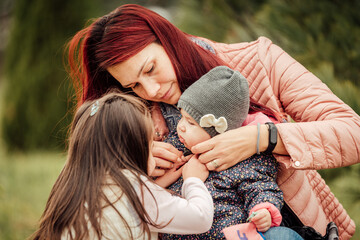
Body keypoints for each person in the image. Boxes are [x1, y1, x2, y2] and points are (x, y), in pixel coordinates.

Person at [66, 4, 359, 239]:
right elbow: (92, 185)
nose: (151, 90)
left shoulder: (259, 60)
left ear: (167, 38)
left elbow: (352, 132)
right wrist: (132, 166)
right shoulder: (131, 115)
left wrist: (260, 138)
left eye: (151, 68)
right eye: (134, 86)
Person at [31, 91, 214, 240]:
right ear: (130, 149)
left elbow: (128, 205)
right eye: (149, 143)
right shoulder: (139, 194)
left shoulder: (73, 187)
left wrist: (156, 186)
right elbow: (200, 218)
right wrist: (193, 180)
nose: (154, 148)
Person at [161, 65, 303, 240]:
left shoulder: (245, 161)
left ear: (219, 132)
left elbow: (261, 187)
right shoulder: (176, 146)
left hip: (228, 234)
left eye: (191, 123)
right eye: (181, 116)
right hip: (177, 231)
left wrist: (263, 211)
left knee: (284, 236)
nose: (180, 126)